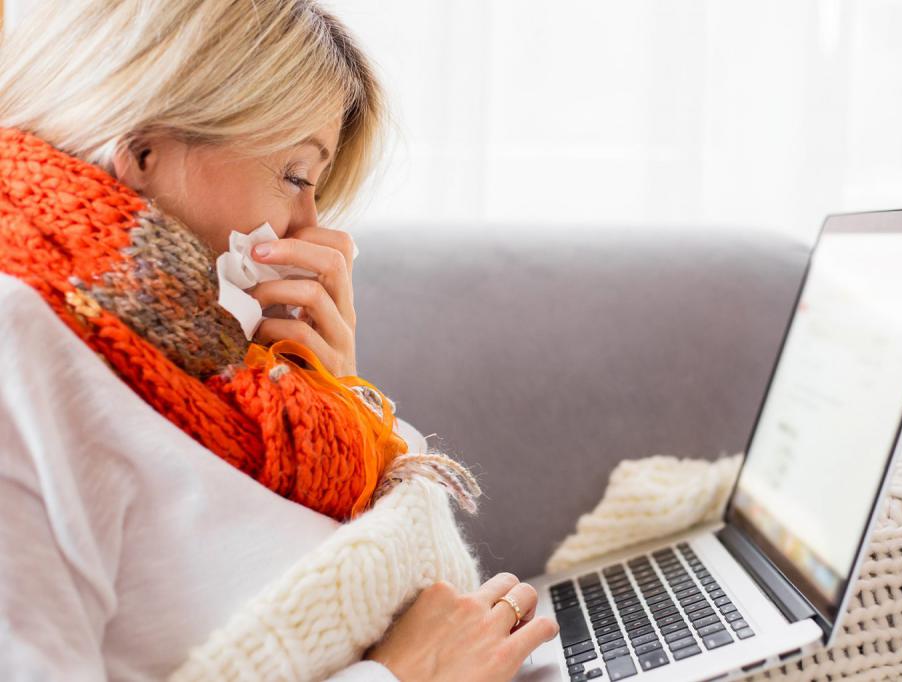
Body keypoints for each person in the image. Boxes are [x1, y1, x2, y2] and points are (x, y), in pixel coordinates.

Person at [0, 1, 557, 680]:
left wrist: (334, 398)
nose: (311, 226)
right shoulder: (18, 342)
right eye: (297, 176)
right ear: (145, 152)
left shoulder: (206, 363)